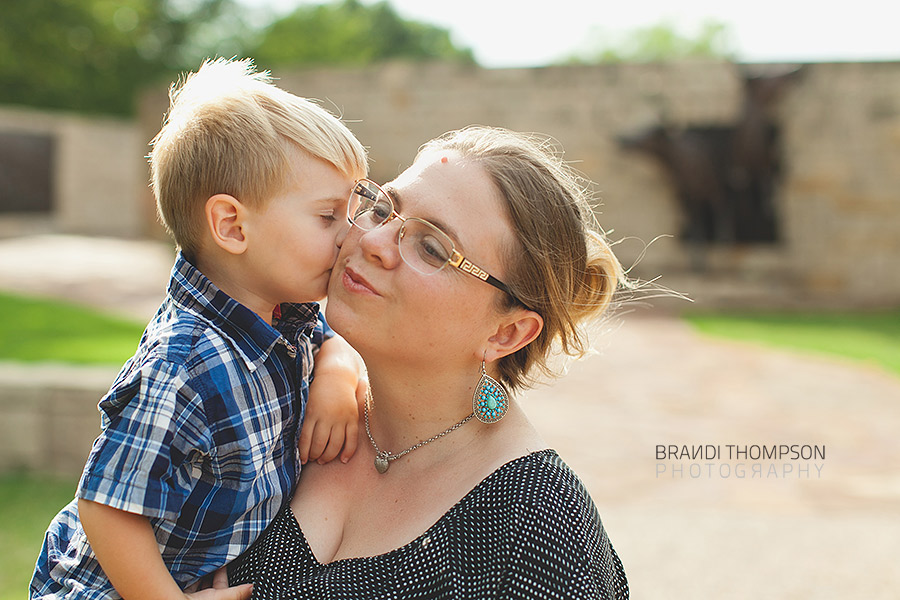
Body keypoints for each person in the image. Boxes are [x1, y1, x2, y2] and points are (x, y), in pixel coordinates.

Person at [224, 126, 630, 599]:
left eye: (432, 247)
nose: (375, 239)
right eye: (383, 208)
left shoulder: (539, 530)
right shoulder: (274, 394)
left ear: (507, 332)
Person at [30, 58, 369, 599]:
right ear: (232, 226)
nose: (350, 235)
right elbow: (106, 506)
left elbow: (327, 337)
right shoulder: (185, 362)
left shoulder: (286, 313)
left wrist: (335, 366)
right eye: (328, 216)